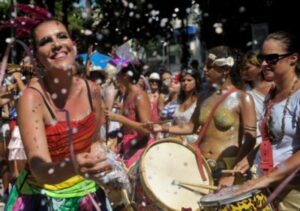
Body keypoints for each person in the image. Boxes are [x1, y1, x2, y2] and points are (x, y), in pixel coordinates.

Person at [5, 19, 113, 210]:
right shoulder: (31, 99)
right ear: (36, 57)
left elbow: (95, 141)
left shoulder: (92, 90)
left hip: (87, 194)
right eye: (46, 41)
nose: (56, 45)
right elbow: (40, 170)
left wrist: (105, 164)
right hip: (41, 198)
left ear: (73, 45)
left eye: (62, 36)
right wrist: (74, 166)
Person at [150, 45, 257, 187]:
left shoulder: (243, 98)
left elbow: (251, 138)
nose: (205, 69)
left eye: (210, 66)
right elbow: (190, 127)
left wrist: (232, 172)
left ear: (225, 70)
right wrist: (162, 128)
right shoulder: (204, 96)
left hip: (228, 169)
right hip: (202, 168)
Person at [236, 31, 300, 210]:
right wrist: (250, 158)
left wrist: (267, 178)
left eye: (272, 58)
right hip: (268, 185)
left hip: (293, 190)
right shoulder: (271, 95)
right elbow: (274, 139)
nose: (264, 64)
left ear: (293, 58)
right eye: (262, 58)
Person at [239, 51, 274, 176]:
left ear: (259, 67)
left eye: (248, 68)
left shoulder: (277, 87)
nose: (244, 72)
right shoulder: (246, 94)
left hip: (273, 144)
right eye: (242, 69)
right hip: (254, 147)